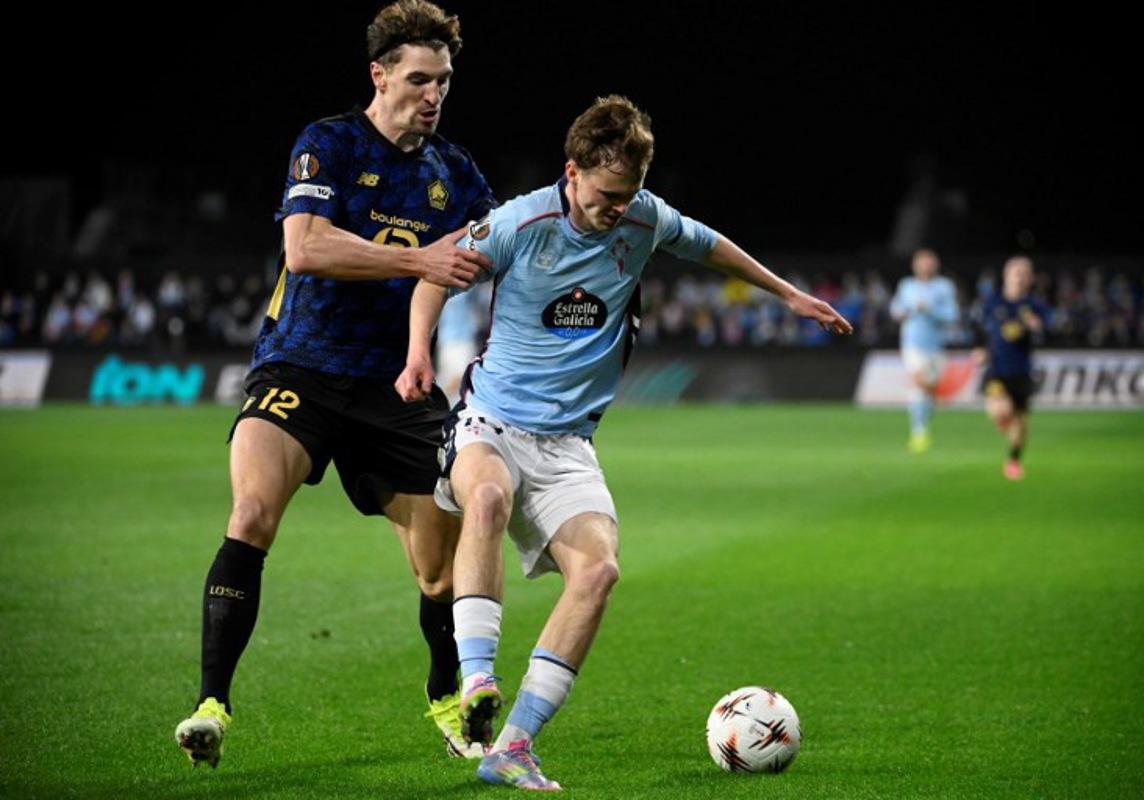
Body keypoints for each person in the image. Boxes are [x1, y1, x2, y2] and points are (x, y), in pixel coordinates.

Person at [396, 95, 853, 790]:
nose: (619, 210)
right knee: (485, 497)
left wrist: (786, 295)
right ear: (572, 172)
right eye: (608, 195)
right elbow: (437, 272)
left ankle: (513, 746)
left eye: (630, 195)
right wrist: (416, 354)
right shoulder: (521, 221)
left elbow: (708, 243)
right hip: (490, 423)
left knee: (599, 571)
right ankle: (477, 681)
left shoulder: (644, 216)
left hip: (569, 444)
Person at [174, 0, 496, 768]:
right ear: (378, 76)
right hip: (301, 369)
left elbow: (500, 252)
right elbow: (309, 247)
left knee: (439, 570)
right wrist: (421, 258)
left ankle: (445, 694)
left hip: (397, 389)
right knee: (251, 513)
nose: (433, 94)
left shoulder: (456, 173)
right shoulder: (327, 145)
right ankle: (212, 704)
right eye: (418, 79)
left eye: (443, 80)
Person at [974, 255, 1048, 480]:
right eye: (1017, 272)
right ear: (1006, 275)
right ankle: (1003, 418)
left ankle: (1013, 460)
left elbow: (1048, 329)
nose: (1021, 277)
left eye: (1025, 273)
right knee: (1001, 410)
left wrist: (1037, 327)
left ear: (1031, 278)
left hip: (1022, 371)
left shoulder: (1034, 306)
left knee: (1021, 427)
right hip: (996, 369)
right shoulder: (992, 302)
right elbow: (978, 327)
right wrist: (979, 347)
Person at [889, 248, 959, 452]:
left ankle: (923, 425)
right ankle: (918, 432)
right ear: (915, 265)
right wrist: (908, 310)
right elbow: (895, 310)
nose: (925, 266)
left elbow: (951, 315)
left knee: (928, 389)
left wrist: (930, 309)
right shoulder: (907, 286)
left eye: (929, 262)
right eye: (922, 262)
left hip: (935, 345)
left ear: (936, 265)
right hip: (912, 343)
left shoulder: (944, 287)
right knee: (919, 384)